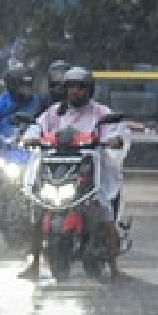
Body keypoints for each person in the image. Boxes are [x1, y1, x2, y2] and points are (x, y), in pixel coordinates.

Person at [18, 67, 129, 282]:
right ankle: (34, 264)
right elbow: (36, 129)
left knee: (104, 212)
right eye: (70, 87)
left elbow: (117, 133)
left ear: (89, 89)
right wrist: (29, 137)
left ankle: (115, 268)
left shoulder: (101, 113)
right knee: (38, 210)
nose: (74, 92)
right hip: (57, 170)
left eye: (80, 87)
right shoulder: (53, 113)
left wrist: (114, 140)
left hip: (89, 172)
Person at [0, 65, 43, 247]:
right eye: (23, 86)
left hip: (31, 157)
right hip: (4, 155)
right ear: (13, 86)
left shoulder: (37, 103)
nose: (27, 90)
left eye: (29, 86)